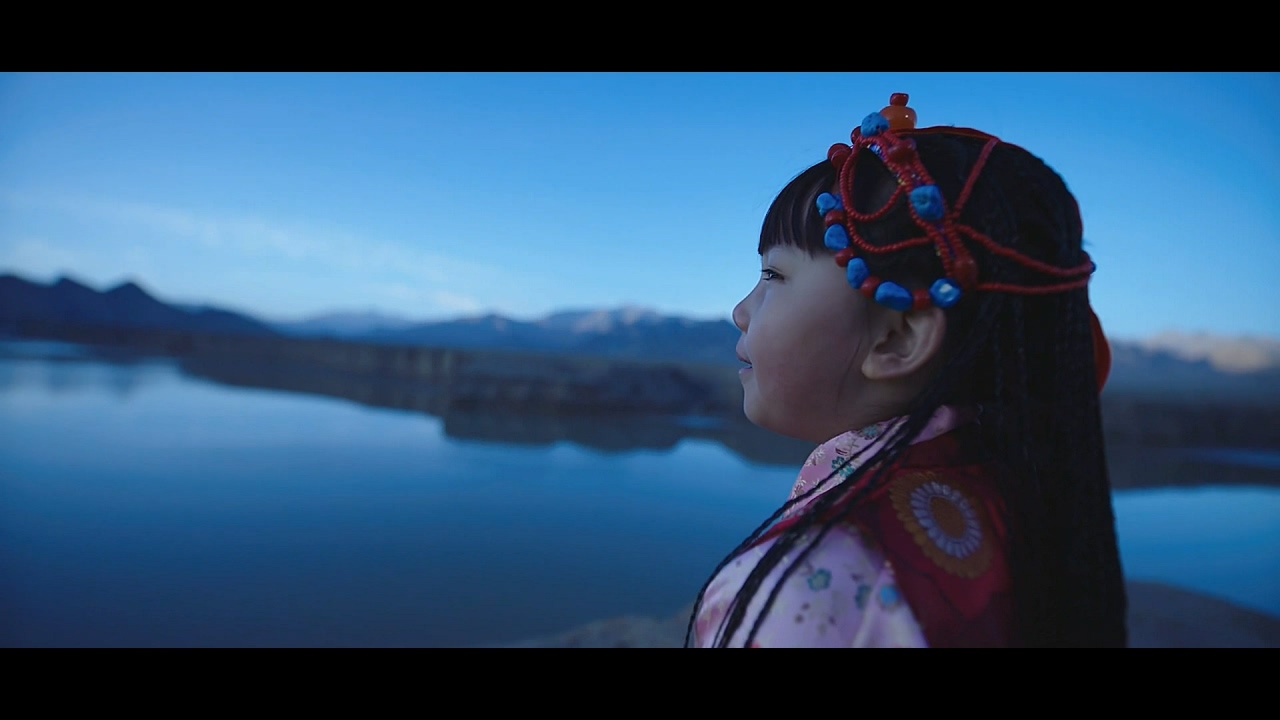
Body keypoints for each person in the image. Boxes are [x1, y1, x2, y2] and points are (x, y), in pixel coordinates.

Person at [686, 93, 1126, 648]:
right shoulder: (1019, 500)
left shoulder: (813, 583)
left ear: (898, 338)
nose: (740, 311)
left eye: (773, 276)